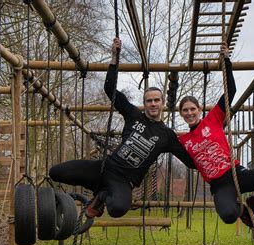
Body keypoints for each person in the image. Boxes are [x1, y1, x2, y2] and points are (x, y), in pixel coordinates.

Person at [49, 37, 195, 218]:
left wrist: (202, 136)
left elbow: (190, 162)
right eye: (149, 100)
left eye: (157, 100)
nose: (153, 104)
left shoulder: (167, 136)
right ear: (144, 103)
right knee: (55, 172)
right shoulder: (133, 115)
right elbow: (110, 89)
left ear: (163, 103)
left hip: (124, 181)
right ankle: (99, 190)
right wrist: (114, 58)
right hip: (104, 168)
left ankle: (102, 195)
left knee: (117, 209)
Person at [177, 42, 254, 228]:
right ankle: (240, 208)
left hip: (236, 174)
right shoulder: (183, 141)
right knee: (229, 215)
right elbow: (190, 163)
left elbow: (231, 91)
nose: (189, 113)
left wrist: (226, 60)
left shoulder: (213, 119)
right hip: (220, 185)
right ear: (181, 114)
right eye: (185, 111)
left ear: (199, 109)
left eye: (192, 109)